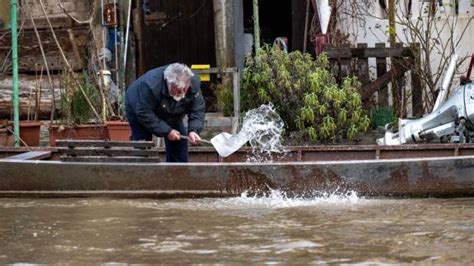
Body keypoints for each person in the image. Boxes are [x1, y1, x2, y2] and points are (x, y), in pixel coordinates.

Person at [125, 63, 205, 162]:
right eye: (178, 90)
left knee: (179, 140)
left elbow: (197, 109)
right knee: (143, 144)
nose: (182, 93)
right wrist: (167, 131)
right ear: (168, 82)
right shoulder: (150, 86)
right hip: (138, 107)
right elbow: (144, 113)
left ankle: (178, 174)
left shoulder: (193, 83)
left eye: (184, 89)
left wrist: (194, 130)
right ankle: (144, 174)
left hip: (171, 110)